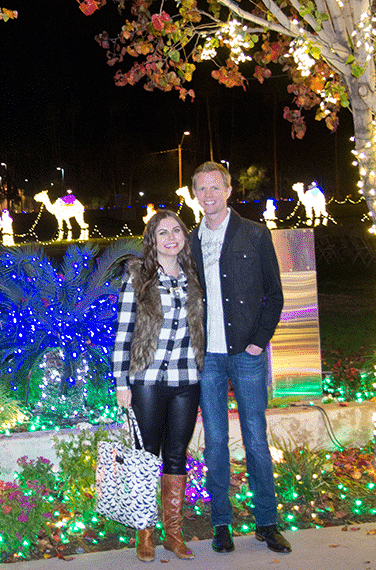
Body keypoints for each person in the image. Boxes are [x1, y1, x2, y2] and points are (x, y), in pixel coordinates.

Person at [189, 161, 291, 555]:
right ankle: (221, 524)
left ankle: (267, 522)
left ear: (228, 191)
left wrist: (258, 341)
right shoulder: (190, 242)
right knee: (214, 442)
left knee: (255, 439)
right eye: (201, 189)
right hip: (207, 358)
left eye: (215, 188)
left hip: (246, 354)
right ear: (194, 194)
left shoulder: (254, 234)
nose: (208, 196)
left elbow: (274, 295)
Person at [113, 211, 205, 562]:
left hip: (186, 379)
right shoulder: (138, 276)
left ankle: (174, 534)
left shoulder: (193, 276)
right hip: (147, 380)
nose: (171, 237)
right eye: (162, 232)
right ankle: (145, 534)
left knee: (176, 455)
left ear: (184, 236)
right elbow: (124, 333)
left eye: (177, 231)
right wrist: (122, 381)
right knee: (145, 455)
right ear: (152, 239)